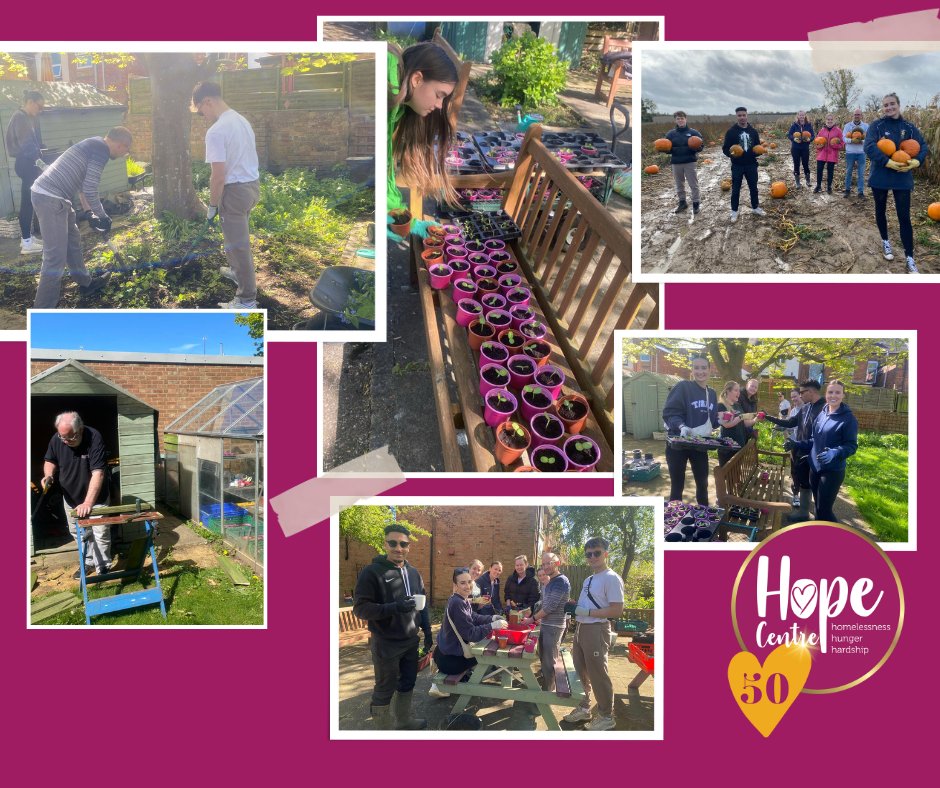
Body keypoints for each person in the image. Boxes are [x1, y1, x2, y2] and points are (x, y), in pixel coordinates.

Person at [30, 127, 130, 308]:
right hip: (50, 198)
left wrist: (88, 212)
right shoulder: (101, 151)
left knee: (73, 240)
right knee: (55, 257)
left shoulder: (95, 144)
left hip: (58, 198)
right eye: (126, 150)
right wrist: (103, 216)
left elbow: (84, 187)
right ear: (120, 145)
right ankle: (43, 311)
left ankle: (86, 283)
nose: (124, 154)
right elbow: (91, 189)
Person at [353, 524, 433, 730]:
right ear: (385, 544)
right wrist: (394, 607)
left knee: (408, 682)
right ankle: (384, 731)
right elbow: (361, 609)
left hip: (410, 641)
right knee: (384, 688)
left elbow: (423, 604)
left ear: (409, 547)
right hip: (386, 643)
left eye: (404, 544)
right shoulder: (372, 572)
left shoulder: (414, 573)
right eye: (393, 543)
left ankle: (404, 721)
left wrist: (427, 630)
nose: (399, 548)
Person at [192, 81, 261, 308]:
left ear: (208, 102)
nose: (204, 116)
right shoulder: (242, 121)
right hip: (251, 187)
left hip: (234, 192)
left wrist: (212, 205)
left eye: (202, 111)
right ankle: (235, 272)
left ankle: (246, 299)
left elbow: (218, 176)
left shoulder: (217, 131)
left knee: (239, 246)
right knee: (234, 240)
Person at [387, 42, 459, 242]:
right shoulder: (384, 86)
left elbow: (384, 168)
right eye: (439, 95)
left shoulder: (397, 107)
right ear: (417, 79)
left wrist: (400, 217)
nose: (439, 106)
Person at [563, 538, 624, 732]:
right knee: (580, 670)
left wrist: (588, 613)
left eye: (596, 553)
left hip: (597, 629)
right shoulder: (589, 579)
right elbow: (589, 604)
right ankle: (584, 707)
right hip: (581, 628)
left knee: (598, 673)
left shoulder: (611, 578)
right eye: (588, 554)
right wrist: (577, 607)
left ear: (606, 553)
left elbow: (616, 611)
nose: (592, 557)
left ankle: (606, 716)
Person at [864, 92, 929, 274]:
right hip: (881, 176)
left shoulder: (909, 127)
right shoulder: (877, 126)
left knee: (904, 217)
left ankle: (909, 257)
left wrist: (918, 161)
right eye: (885, 105)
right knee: (880, 210)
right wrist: (887, 161)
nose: (889, 107)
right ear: (882, 108)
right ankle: (885, 241)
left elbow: (922, 145)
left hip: (902, 177)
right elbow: (868, 146)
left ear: (898, 105)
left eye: (892, 104)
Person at [40, 411, 111, 577]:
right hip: (70, 498)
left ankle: (103, 567)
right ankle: (88, 563)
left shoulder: (94, 437)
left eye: (69, 438)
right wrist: (48, 475)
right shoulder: (57, 439)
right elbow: (50, 460)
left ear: (79, 430)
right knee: (79, 533)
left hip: (95, 499)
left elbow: (98, 473)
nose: (64, 441)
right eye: (62, 437)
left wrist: (88, 503)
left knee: (99, 532)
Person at [788, 380, 858, 523]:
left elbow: (851, 446)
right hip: (814, 468)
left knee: (824, 510)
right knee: (818, 509)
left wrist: (835, 452)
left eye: (837, 392)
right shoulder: (823, 413)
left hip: (832, 470)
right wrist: (797, 443)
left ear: (843, 395)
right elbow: (814, 440)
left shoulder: (848, 418)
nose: (834, 395)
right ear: (826, 394)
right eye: (830, 392)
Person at [764, 380, 826, 521]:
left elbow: (822, 437)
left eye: (802, 392)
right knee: (804, 482)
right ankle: (803, 513)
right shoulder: (805, 408)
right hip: (801, 451)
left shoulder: (825, 408)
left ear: (811, 392)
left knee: (816, 487)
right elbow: (790, 422)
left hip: (816, 455)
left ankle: (820, 521)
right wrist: (768, 417)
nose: (800, 395)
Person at [661, 354, 719, 504]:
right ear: (692, 370)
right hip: (677, 444)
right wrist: (681, 426)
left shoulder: (711, 394)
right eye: (696, 368)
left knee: (702, 483)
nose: (700, 371)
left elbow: (711, 421)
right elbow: (670, 413)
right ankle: (674, 517)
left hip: (699, 445)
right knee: (677, 485)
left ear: (709, 369)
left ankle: (704, 516)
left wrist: (723, 420)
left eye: (704, 368)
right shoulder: (683, 387)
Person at [433, 567, 506, 680]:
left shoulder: (461, 599)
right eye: (463, 583)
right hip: (450, 661)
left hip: (445, 654)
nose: (467, 586)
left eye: (469, 581)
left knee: (483, 652)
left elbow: (473, 617)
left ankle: (466, 678)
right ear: (456, 585)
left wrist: (492, 618)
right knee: (486, 655)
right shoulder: (458, 603)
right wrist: (492, 626)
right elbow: (471, 634)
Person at [4, 89, 45, 255]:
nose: (40, 110)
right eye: (39, 106)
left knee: (30, 202)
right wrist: (41, 163)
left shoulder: (24, 117)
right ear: (30, 102)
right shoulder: (21, 117)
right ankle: (26, 243)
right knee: (27, 203)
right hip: (26, 163)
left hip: (27, 163)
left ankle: (27, 239)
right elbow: (27, 145)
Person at [524, 553, 570, 693]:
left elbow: (550, 607)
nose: (546, 566)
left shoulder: (561, 581)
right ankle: (547, 688)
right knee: (544, 659)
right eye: (543, 564)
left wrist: (531, 619)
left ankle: (549, 693)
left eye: (549, 563)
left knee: (550, 661)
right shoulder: (550, 582)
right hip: (546, 624)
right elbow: (545, 603)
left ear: (557, 563)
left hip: (554, 627)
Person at [721, 106, 765, 223]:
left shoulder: (753, 131)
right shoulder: (731, 132)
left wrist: (758, 153)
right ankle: (734, 211)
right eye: (739, 115)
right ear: (737, 117)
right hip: (737, 166)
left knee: (753, 188)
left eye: (744, 115)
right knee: (736, 189)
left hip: (751, 164)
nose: (742, 117)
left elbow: (757, 146)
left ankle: (755, 207)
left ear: (747, 115)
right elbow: (725, 149)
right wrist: (732, 154)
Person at [664, 111, 704, 215]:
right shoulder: (670, 134)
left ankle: (696, 203)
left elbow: (701, 146)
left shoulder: (694, 133)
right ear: (675, 120)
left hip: (690, 161)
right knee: (679, 184)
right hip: (676, 162)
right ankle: (682, 202)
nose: (680, 120)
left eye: (682, 118)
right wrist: (665, 150)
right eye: (678, 119)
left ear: (686, 119)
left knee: (693, 184)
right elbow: (666, 147)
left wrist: (698, 147)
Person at [716, 381, 757, 467]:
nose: (739, 393)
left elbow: (744, 423)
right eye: (736, 390)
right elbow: (727, 425)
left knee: (736, 476)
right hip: (727, 448)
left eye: (739, 390)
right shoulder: (721, 405)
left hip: (739, 446)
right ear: (728, 391)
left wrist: (756, 419)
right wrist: (741, 417)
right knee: (726, 477)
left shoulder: (737, 405)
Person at [813, 113, 843, 195]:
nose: (829, 121)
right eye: (828, 119)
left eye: (831, 120)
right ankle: (818, 185)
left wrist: (835, 145)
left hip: (832, 154)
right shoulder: (822, 131)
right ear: (825, 120)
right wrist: (819, 146)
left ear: (834, 120)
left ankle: (829, 187)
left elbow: (842, 144)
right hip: (821, 154)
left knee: (830, 171)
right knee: (819, 170)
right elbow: (817, 142)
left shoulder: (838, 131)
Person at [842, 108, 869, 199]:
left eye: (858, 114)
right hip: (850, 152)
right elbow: (844, 138)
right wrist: (851, 140)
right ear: (852, 115)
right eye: (855, 114)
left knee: (861, 173)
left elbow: (868, 139)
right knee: (849, 171)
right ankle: (847, 190)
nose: (856, 116)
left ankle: (860, 192)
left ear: (861, 115)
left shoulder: (865, 126)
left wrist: (862, 141)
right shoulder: (847, 126)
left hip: (861, 152)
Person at [787, 110, 814, 189]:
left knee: (805, 164)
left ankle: (808, 180)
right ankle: (797, 182)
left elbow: (812, 136)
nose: (801, 117)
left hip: (805, 148)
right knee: (796, 164)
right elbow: (789, 135)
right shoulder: (794, 125)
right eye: (800, 115)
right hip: (795, 148)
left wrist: (810, 140)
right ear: (798, 116)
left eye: (803, 115)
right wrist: (793, 139)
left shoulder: (809, 125)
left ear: (805, 116)